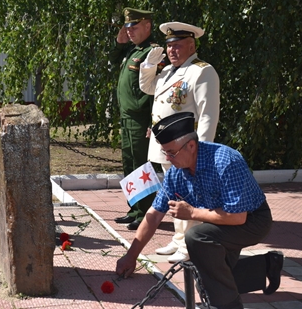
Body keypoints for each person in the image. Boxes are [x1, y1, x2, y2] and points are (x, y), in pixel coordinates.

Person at [115, 112, 283, 309]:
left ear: (191, 146)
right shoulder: (176, 172)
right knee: (208, 277)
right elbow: (153, 216)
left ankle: (228, 306)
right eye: (165, 153)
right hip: (221, 220)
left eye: (171, 152)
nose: (168, 158)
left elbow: (238, 217)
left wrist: (192, 213)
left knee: (197, 238)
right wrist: (131, 256)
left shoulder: (225, 161)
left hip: (252, 220)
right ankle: (266, 266)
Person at [139, 21, 220, 262]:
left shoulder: (202, 71)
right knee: (175, 194)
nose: (172, 50)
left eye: (178, 45)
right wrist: (149, 65)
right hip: (167, 147)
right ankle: (178, 239)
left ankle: (191, 245)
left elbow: (208, 114)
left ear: (192, 45)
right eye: (170, 46)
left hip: (188, 148)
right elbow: (147, 88)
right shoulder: (166, 72)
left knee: (191, 196)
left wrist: (201, 150)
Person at [108, 8, 166, 230]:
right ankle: (134, 209)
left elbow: (156, 90)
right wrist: (119, 43)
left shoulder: (154, 53)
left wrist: (153, 121)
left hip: (141, 119)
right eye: (127, 27)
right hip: (127, 117)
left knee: (143, 167)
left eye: (134, 26)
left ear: (148, 26)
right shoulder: (132, 51)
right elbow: (113, 60)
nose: (129, 31)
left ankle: (146, 214)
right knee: (130, 164)